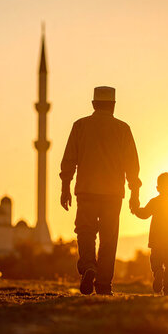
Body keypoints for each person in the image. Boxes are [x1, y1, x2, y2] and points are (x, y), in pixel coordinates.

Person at [60, 86, 141, 295]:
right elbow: (132, 166)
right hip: (113, 194)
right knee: (109, 238)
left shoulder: (80, 126)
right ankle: (104, 285)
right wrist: (134, 193)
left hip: (86, 191)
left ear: (94, 104)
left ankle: (88, 266)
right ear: (113, 105)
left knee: (85, 232)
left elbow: (69, 160)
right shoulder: (123, 129)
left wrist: (65, 187)